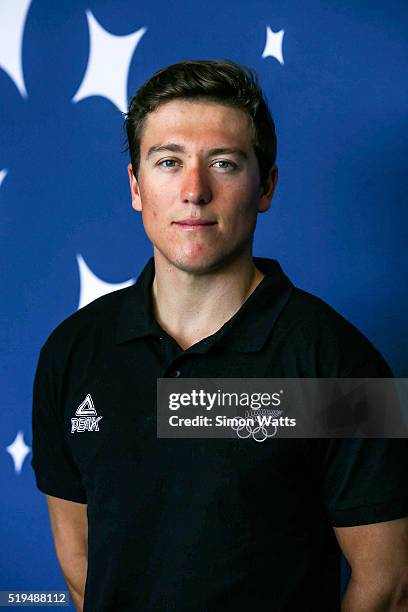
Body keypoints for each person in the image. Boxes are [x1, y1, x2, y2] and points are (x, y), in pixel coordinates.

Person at [31, 60, 408, 611]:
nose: (194, 191)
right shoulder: (72, 350)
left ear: (266, 186)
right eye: (168, 162)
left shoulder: (341, 363)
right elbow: (82, 566)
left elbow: (389, 586)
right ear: (136, 186)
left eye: (224, 163)